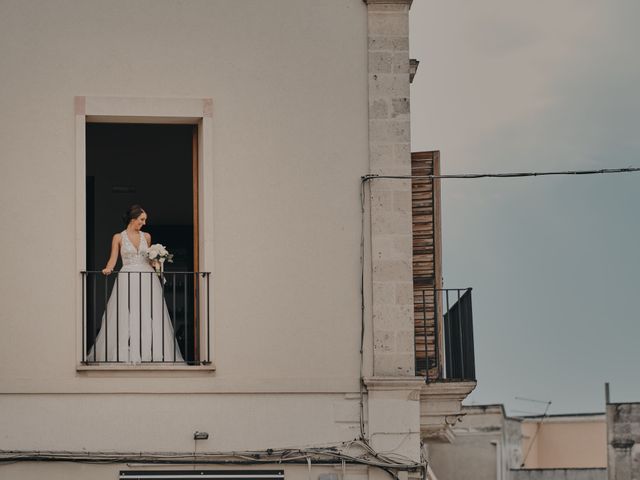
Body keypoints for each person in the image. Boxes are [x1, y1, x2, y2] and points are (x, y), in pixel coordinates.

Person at [88, 205, 184, 363]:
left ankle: (150, 352)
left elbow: (149, 259)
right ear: (133, 219)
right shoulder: (118, 237)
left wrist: (158, 261)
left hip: (147, 276)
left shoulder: (146, 236)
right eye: (142, 219)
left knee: (148, 312)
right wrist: (108, 268)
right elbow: (113, 258)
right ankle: (126, 352)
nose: (144, 223)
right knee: (127, 312)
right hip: (127, 276)